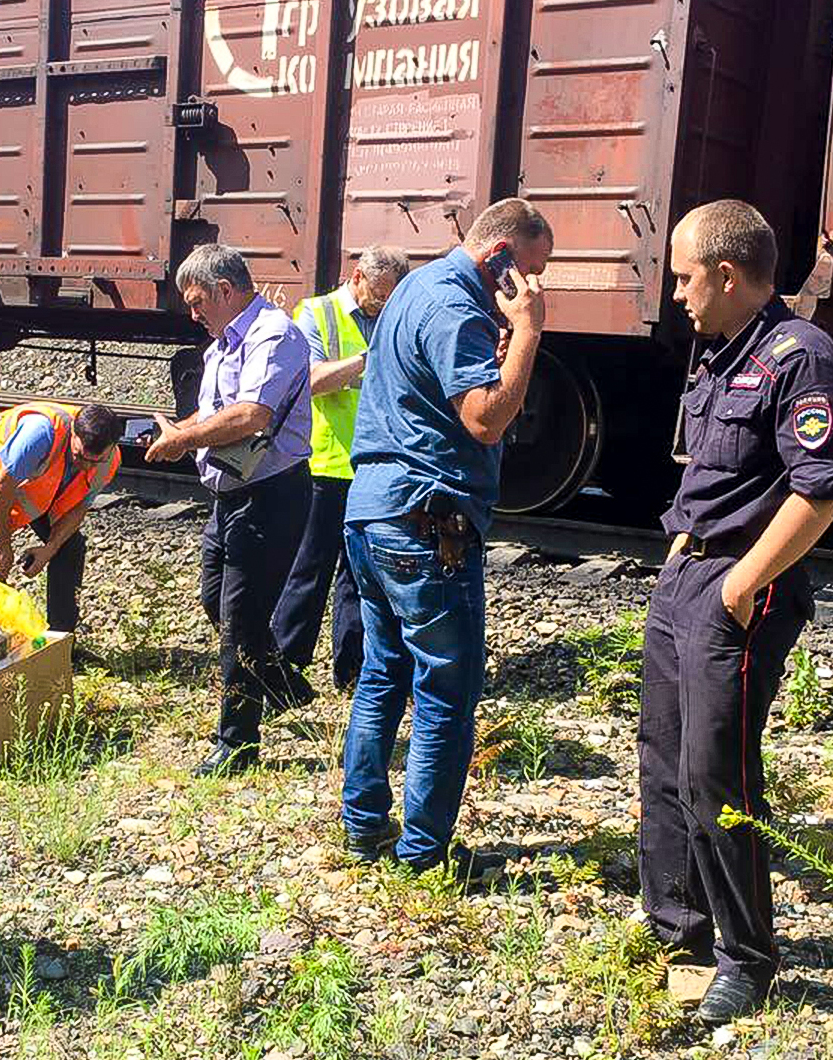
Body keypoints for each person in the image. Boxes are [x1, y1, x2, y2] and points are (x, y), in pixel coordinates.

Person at [638, 199, 833, 1025]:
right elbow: (709, 477)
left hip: (740, 587)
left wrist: (740, 585)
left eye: (686, 279)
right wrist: (681, 559)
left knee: (714, 772)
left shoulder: (802, 358)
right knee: (662, 758)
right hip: (686, 579)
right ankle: (677, 927)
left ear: (727, 275)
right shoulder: (719, 352)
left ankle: (746, 956)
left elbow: (821, 490)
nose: (679, 296)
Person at [339, 198, 552, 879]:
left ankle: (363, 827)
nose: (531, 288)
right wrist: (528, 334)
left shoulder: (415, 290)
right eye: (531, 271)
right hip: (427, 524)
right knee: (446, 693)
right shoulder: (457, 306)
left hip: (371, 513)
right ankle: (423, 854)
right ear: (502, 258)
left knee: (382, 675)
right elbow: (485, 420)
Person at [145, 243, 314, 777]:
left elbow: (250, 415)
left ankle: (236, 743)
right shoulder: (223, 343)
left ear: (224, 290)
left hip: (271, 495)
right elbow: (215, 410)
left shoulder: (273, 334)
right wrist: (183, 429)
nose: (192, 314)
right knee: (215, 600)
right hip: (230, 496)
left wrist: (185, 438)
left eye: (197, 302)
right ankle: (283, 682)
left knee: (239, 622)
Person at [269, 246, 410, 692]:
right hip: (324, 464)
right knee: (308, 571)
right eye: (380, 296)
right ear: (357, 277)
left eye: (392, 299)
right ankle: (283, 667)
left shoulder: (390, 315)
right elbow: (306, 380)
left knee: (358, 575)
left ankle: (350, 672)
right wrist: (365, 361)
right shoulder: (316, 313)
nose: (384, 306)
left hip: (371, 466)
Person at [0, 401, 123, 635]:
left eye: (95, 460)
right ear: (73, 433)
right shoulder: (40, 435)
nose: (86, 466)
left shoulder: (108, 461)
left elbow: (78, 509)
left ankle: (61, 642)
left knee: (70, 547)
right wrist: (2, 545)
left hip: (37, 485)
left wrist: (49, 549)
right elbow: (0, 490)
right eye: (80, 456)